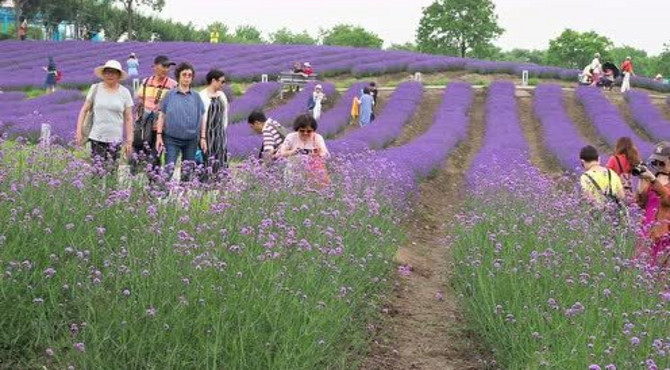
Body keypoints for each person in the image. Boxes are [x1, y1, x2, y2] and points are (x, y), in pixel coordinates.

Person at [75, 60, 134, 166]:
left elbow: (129, 118)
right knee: (97, 172)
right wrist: (79, 132)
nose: (110, 75)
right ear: (103, 74)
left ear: (119, 75)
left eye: (113, 72)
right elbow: (84, 110)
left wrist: (129, 141)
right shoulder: (95, 88)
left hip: (115, 139)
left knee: (112, 172)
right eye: (107, 72)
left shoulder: (125, 92)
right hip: (97, 137)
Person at [155, 62, 206, 182]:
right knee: (169, 169)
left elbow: (203, 117)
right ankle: (163, 197)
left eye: (190, 75)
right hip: (172, 139)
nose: (187, 78)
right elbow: (162, 116)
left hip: (191, 140)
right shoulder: (170, 95)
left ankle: (183, 197)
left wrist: (203, 137)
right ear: (178, 76)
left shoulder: (196, 97)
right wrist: (158, 136)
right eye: (184, 75)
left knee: (187, 171)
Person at [130, 55, 177, 176]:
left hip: (161, 129)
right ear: (155, 66)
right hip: (143, 126)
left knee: (154, 158)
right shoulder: (145, 82)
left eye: (168, 67)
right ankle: (135, 185)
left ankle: (153, 188)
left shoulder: (173, 85)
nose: (166, 69)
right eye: (164, 66)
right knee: (136, 156)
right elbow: (139, 102)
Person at [636, 141, 670, 268]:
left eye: (662, 162)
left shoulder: (655, 180)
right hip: (646, 234)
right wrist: (641, 180)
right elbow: (641, 202)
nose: (658, 165)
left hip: (663, 236)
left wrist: (654, 180)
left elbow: (667, 199)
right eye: (655, 162)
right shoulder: (655, 177)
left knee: (658, 274)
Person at [276, 114, 330, 187]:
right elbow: (282, 153)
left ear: (313, 130)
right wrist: (292, 152)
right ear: (297, 129)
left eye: (309, 131)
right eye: (302, 131)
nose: (305, 133)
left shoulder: (317, 138)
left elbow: (325, 154)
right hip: (293, 173)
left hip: (313, 173)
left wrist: (319, 153)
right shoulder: (291, 137)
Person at [199, 69, 229, 176]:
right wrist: (202, 137)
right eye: (222, 81)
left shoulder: (222, 95)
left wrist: (223, 130)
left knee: (220, 156)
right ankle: (207, 182)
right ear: (213, 81)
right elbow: (201, 116)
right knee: (208, 156)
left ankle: (220, 180)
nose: (223, 84)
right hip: (207, 133)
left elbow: (225, 114)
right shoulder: (202, 95)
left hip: (219, 133)